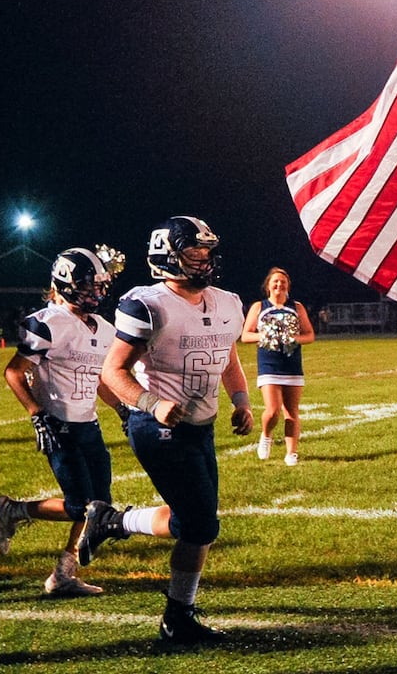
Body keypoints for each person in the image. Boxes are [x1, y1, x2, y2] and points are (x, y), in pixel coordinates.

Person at [80, 216, 253, 645]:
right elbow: (113, 370)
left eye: (207, 253)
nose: (204, 261)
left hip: (201, 425)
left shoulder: (228, 302)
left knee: (193, 524)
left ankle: (112, 522)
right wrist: (150, 403)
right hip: (156, 427)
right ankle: (178, 618)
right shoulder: (147, 304)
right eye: (194, 253)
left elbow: (227, 358)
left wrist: (241, 401)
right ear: (168, 257)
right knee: (200, 526)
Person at [0, 245, 129, 596]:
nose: (95, 293)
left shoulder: (102, 327)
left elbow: (99, 379)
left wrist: (122, 409)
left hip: (89, 425)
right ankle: (14, 510)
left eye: (98, 286)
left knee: (100, 507)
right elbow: (13, 372)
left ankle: (63, 574)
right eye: (87, 286)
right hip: (59, 424)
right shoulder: (49, 322)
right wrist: (37, 415)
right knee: (80, 507)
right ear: (67, 285)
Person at [240, 267, 315, 465]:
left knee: (292, 411)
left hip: (292, 365)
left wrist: (293, 338)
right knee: (272, 410)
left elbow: (310, 335)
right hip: (269, 364)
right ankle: (266, 436)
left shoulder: (297, 307)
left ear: (288, 286)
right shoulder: (259, 306)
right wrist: (265, 336)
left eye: (283, 282)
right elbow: (246, 335)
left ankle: (291, 453)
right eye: (275, 281)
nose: (279, 285)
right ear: (268, 285)